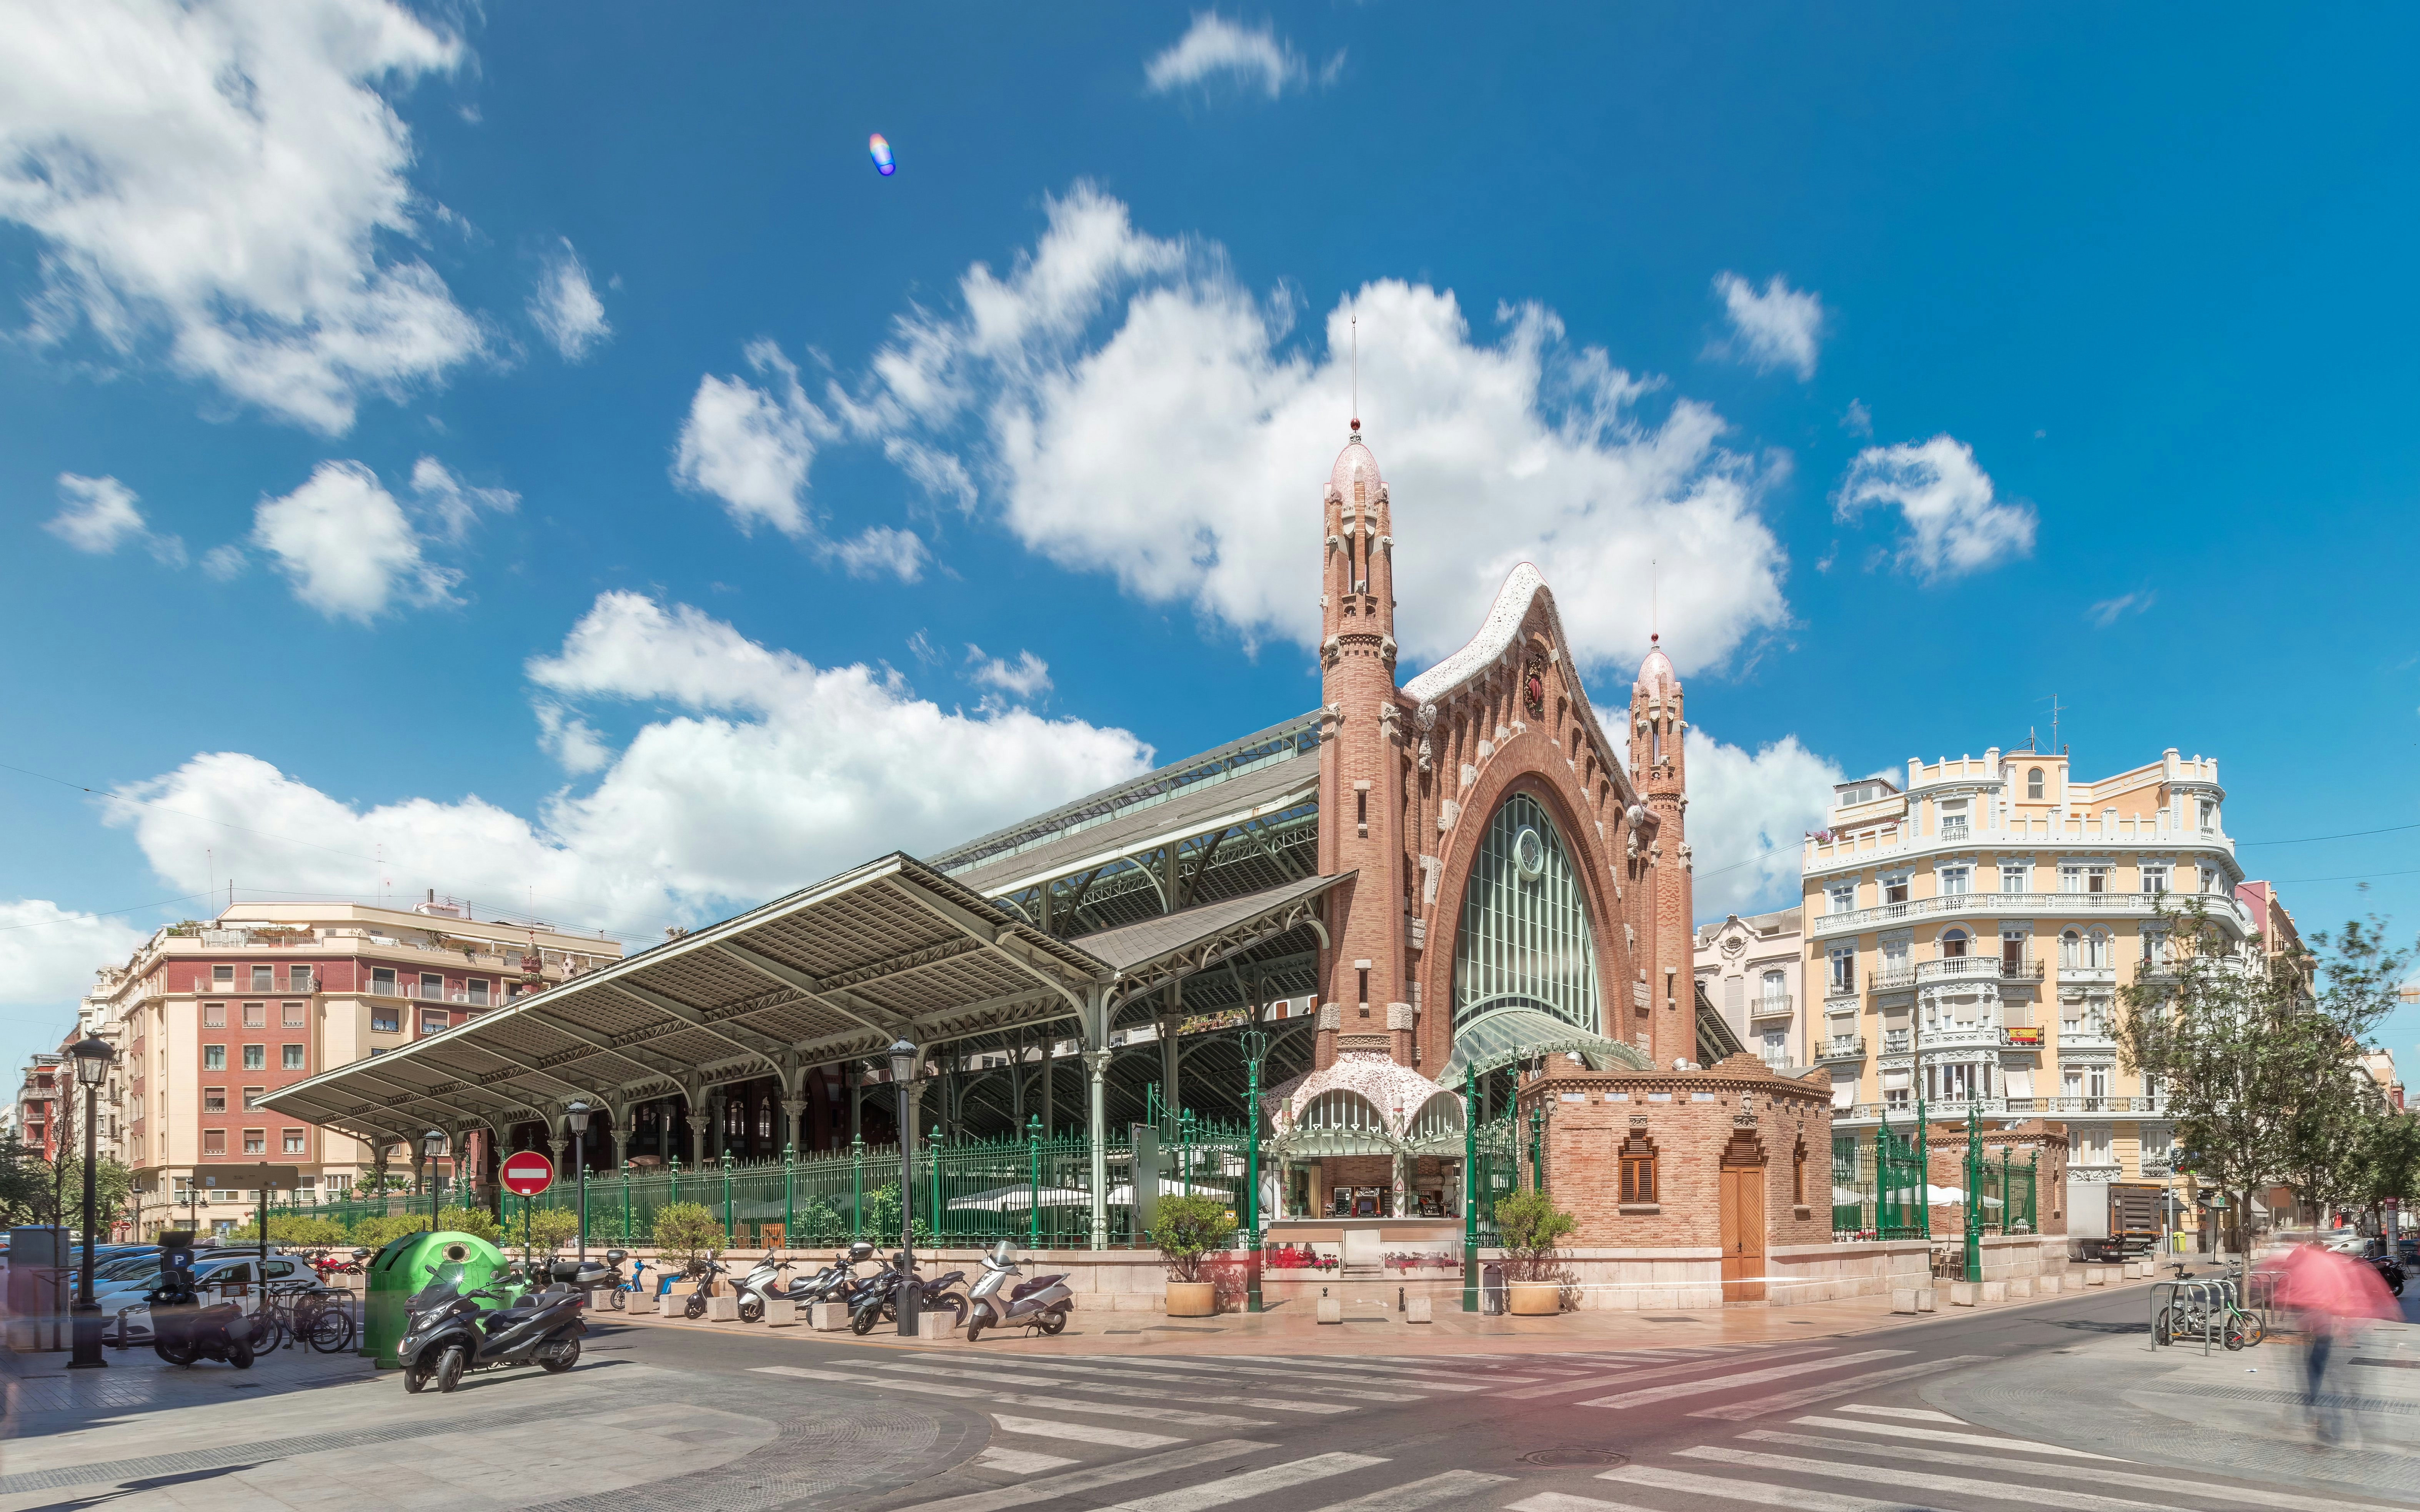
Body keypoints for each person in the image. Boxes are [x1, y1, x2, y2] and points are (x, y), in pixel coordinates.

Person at [2265, 1240, 2399, 1444]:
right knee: (2335, 1378)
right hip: (2339, 1328)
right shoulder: (2330, 1264)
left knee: (2323, 1374)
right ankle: (2350, 1426)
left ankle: (2329, 1422)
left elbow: (2299, 1295)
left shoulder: (2310, 1266)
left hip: (2328, 1330)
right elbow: (2340, 1292)